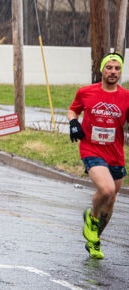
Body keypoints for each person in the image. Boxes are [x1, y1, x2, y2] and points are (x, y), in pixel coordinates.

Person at [67, 53, 129, 259]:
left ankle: (95, 239)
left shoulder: (126, 96)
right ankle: (91, 217)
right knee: (107, 189)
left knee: (111, 201)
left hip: (115, 154)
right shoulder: (86, 92)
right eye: (109, 67)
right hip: (91, 149)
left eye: (117, 68)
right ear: (101, 70)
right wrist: (74, 123)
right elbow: (73, 110)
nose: (113, 72)